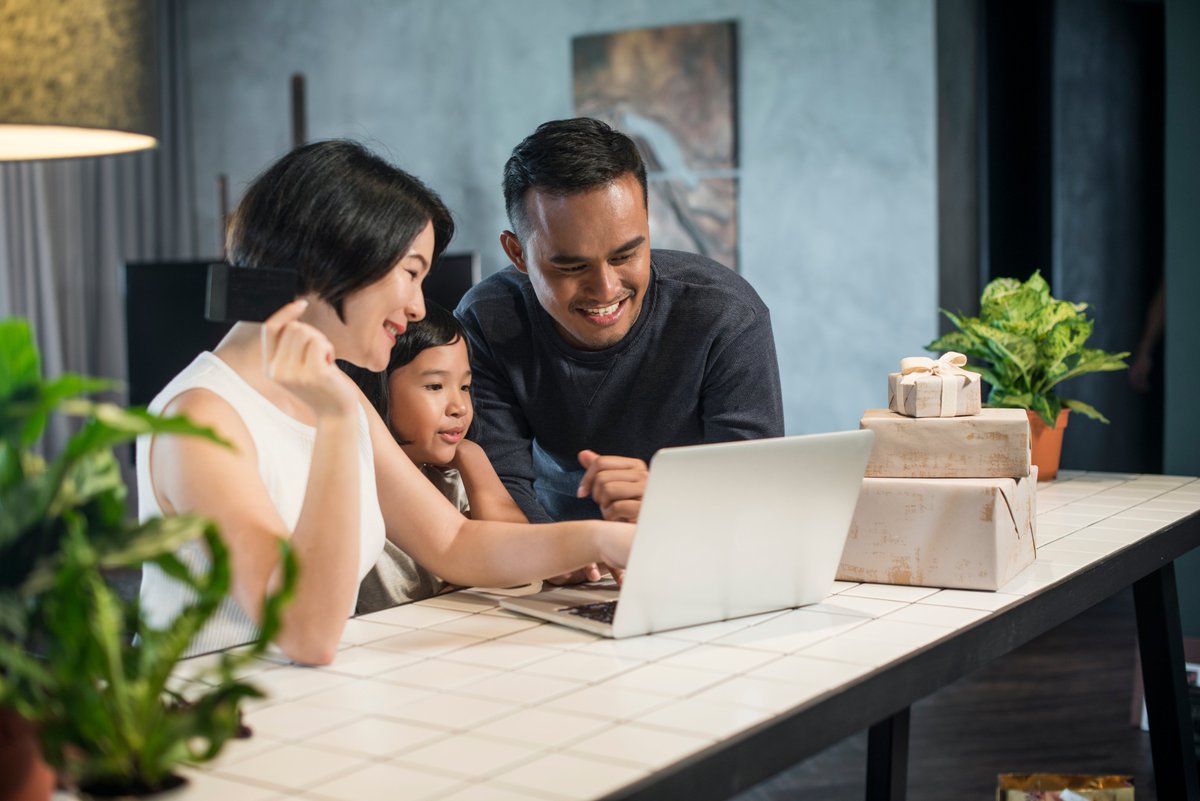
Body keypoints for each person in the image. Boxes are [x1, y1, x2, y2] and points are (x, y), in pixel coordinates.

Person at [136, 140, 633, 664]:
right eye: (411, 272)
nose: (418, 306)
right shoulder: (202, 419)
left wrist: (600, 540)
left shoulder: (334, 392)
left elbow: (455, 544)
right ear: (334, 263)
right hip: (210, 726)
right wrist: (332, 423)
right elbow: (306, 634)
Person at [455, 117, 785, 536]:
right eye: (572, 266)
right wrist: (559, 555)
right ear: (517, 254)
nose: (606, 289)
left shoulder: (726, 314)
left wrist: (673, 501)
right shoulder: (487, 320)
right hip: (549, 555)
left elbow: (760, 491)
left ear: (648, 226)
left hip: (698, 547)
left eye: (625, 255)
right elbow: (500, 483)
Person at [344, 302, 526, 613]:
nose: (459, 406)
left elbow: (520, 563)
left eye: (465, 386)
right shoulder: (354, 486)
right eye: (435, 386)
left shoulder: (449, 479)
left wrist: (473, 457)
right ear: (377, 386)